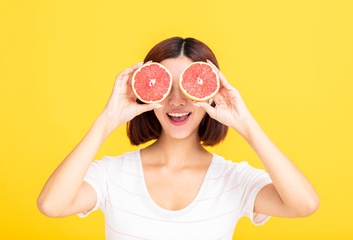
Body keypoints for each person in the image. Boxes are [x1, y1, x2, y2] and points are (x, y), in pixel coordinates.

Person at [37, 37, 320, 239]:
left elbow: (304, 204)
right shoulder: (114, 175)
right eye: (163, 86)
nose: (176, 100)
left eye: (189, 86)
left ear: (210, 92)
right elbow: (52, 205)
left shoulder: (233, 180)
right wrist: (107, 120)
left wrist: (245, 122)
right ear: (146, 92)